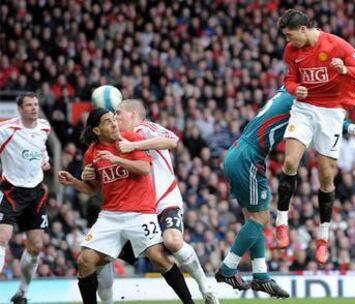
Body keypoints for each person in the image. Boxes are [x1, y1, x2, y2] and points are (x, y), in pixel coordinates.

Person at [215, 80, 355, 294]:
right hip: (250, 158)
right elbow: (345, 94)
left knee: (254, 219)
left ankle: (260, 275)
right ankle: (228, 268)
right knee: (259, 220)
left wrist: (353, 126)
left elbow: (324, 118)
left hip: (239, 152)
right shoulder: (304, 96)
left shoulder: (292, 92)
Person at [82, 99, 219, 304]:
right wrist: (86, 175)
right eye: (113, 115)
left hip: (164, 199)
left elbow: (172, 141)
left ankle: (205, 287)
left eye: (119, 113)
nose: (116, 118)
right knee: (99, 259)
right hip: (134, 208)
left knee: (172, 242)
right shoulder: (114, 141)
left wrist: (134, 145)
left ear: (134, 115)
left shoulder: (144, 128)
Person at [58, 108, 194, 304]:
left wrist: (116, 159)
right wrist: (74, 182)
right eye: (108, 121)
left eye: (114, 119)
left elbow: (145, 169)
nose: (114, 124)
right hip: (110, 215)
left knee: (158, 258)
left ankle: (189, 302)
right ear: (96, 130)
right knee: (85, 261)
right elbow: (93, 189)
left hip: (140, 212)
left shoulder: (129, 139)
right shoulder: (91, 153)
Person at [275, 9, 355, 264]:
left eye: (290, 35)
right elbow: (288, 80)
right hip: (304, 109)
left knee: (326, 176)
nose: (288, 41)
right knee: (290, 162)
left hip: (331, 112)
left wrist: (345, 70)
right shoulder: (291, 51)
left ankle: (323, 237)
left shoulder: (335, 44)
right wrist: (294, 89)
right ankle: (281, 221)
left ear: (303, 29)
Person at [0, 92, 50, 304]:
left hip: (35, 193)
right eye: (29, 105)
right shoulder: (6, 130)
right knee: (2, 238)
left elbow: (41, 149)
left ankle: (21, 293)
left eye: (36, 104)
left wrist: (44, 161)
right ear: (20, 108)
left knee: (36, 246)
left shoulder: (45, 127)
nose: (33, 108)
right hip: (11, 190)